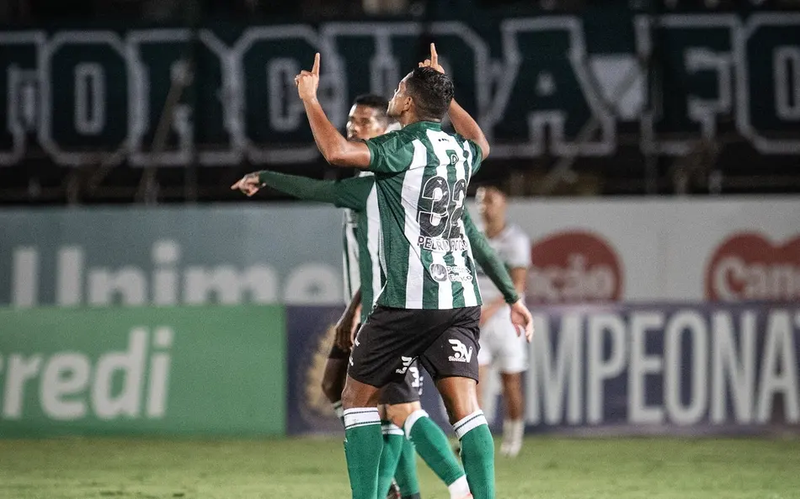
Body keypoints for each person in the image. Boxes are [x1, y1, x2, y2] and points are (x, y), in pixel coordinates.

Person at [232, 94, 524, 499]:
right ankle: (400, 489)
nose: (354, 128)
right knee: (347, 391)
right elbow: (475, 157)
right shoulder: (402, 175)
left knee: (395, 410)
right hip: (398, 306)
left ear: (388, 127)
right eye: (351, 121)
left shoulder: (380, 181)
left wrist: (267, 173)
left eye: (363, 122)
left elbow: (319, 181)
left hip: (399, 311)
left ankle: (446, 488)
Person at [475, 184, 531, 458]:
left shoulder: (515, 240)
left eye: (491, 201)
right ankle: (476, 441)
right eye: (481, 201)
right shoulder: (471, 235)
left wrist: (491, 308)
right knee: (475, 381)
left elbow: (518, 285)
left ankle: (513, 439)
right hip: (476, 319)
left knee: (511, 381)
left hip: (506, 318)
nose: (485, 207)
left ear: (504, 203)